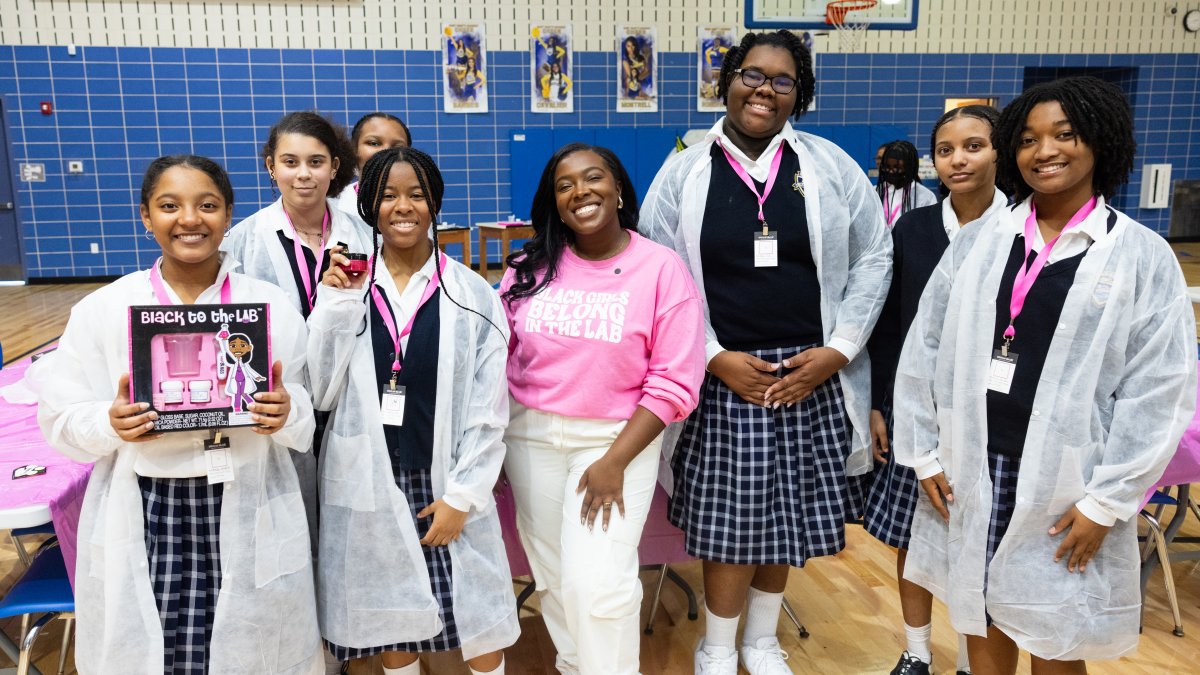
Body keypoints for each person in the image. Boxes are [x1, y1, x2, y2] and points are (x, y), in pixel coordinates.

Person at [893, 76, 1196, 675]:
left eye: (1064, 134)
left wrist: (1107, 502)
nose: (1044, 150)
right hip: (972, 466)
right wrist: (924, 453)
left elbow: (1157, 391)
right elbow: (924, 347)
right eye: (1028, 139)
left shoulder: (1139, 255)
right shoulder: (981, 241)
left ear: (1100, 143)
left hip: (1067, 485)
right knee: (980, 622)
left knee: (1056, 639)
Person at [640, 29, 891, 675]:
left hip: (811, 371)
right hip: (727, 373)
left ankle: (760, 639)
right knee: (731, 523)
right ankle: (717, 648)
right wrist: (712, 354)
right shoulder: (685, 169)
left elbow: (875, 255)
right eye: (752, 74)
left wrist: (837, 350)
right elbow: (658, 272)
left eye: (783, 81)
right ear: (726, 81)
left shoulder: (828, 165)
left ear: (798, 96)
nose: (765, 90)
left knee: (790, 514)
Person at [32, 155, 322, 674]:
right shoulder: (105, 309)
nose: (190, 219)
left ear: (229, 214)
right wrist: (109, 421)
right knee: (162, 650)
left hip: (247, 492)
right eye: (170, 206)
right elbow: (61, 418)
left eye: (207, 205)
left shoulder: (270, 306)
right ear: (146, 216)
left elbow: (303, 408)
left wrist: (286, 411)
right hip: (150, 504)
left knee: (251, 648)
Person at [309, 146, 517, 675]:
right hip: (367, 479)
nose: (403, 207)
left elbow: (488, 409)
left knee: (475, 620)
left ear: (435, 205)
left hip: (443, 482)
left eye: (417, 195)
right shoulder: (347, 286)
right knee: (391, 620)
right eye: (388, 195)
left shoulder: (472, 295)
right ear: (369, 206)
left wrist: (463, 495)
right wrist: (333, 305)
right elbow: (321, 392)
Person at [501, 143, 706, 675]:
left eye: (593, 179)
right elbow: (498, 353)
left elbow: (675, 379)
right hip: (530, 439)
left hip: (616, 441)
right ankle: (575, 666)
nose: (580, 192)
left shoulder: (660, 269)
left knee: (599, 585)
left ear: (617, 187)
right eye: (564, 185)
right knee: (552, 576)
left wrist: (616, 460)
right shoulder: (530, 267)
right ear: (554, 200)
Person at [865, 104, 1007, 675]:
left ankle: (975, 657)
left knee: (983, 542)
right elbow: (889, 321)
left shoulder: (1019, 228)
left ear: (1001, 152)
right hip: (917, 409)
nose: (958, 159)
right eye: (946, 150)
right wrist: (878, 402)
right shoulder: (915, 228)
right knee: (911, 536)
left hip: (992, 413)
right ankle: (917, 651)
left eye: (974, 146)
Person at [223, 111, 367, 320]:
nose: (303, 174)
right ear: (272, 167)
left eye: (315, 162)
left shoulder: (364, 236)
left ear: (334, 167)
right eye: (290, 162)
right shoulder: (240, 242)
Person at [333, 112, 411, 219]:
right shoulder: (334, 208)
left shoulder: (418, 207)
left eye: (397, 146)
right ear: (353, 150)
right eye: (374, 143)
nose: (386, 151)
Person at [877, 140, 938, 227]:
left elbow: (930, 228)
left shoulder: (925, 196)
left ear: (909, 168)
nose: (890, 171)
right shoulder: (875, 191)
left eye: (897, 167)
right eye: (887, 167)